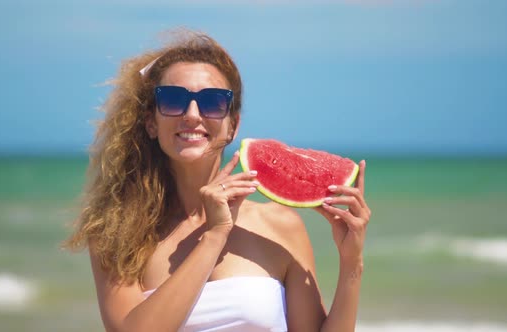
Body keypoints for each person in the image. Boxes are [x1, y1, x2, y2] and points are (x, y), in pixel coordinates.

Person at [65, 30, 371, 332]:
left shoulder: (281, 226)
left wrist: (351, 263)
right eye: (173, 100)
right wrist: (215, 236)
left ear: (232, 126)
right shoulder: (116, 231)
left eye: (212, 102)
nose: (192, 115)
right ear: (151, 122)